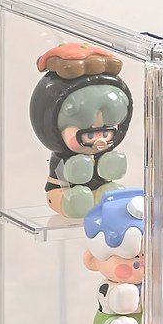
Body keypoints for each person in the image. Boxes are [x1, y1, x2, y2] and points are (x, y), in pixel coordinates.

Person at [30, 42, 133, 218]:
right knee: (77, 199)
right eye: (89, 134)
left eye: (106, 133)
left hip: (100, 188)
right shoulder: (62, 158)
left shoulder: (105, 151)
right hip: (63, 191)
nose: (99, 141)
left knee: (111, 192)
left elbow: (112, 171)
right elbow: (72, 174)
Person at [83, 188, 144, 324]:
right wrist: (122, 297)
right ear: (93, 261)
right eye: (132, 258)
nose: (142, 264)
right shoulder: (108, 287)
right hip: (110, 320)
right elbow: (119, 302)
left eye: (148, 256)